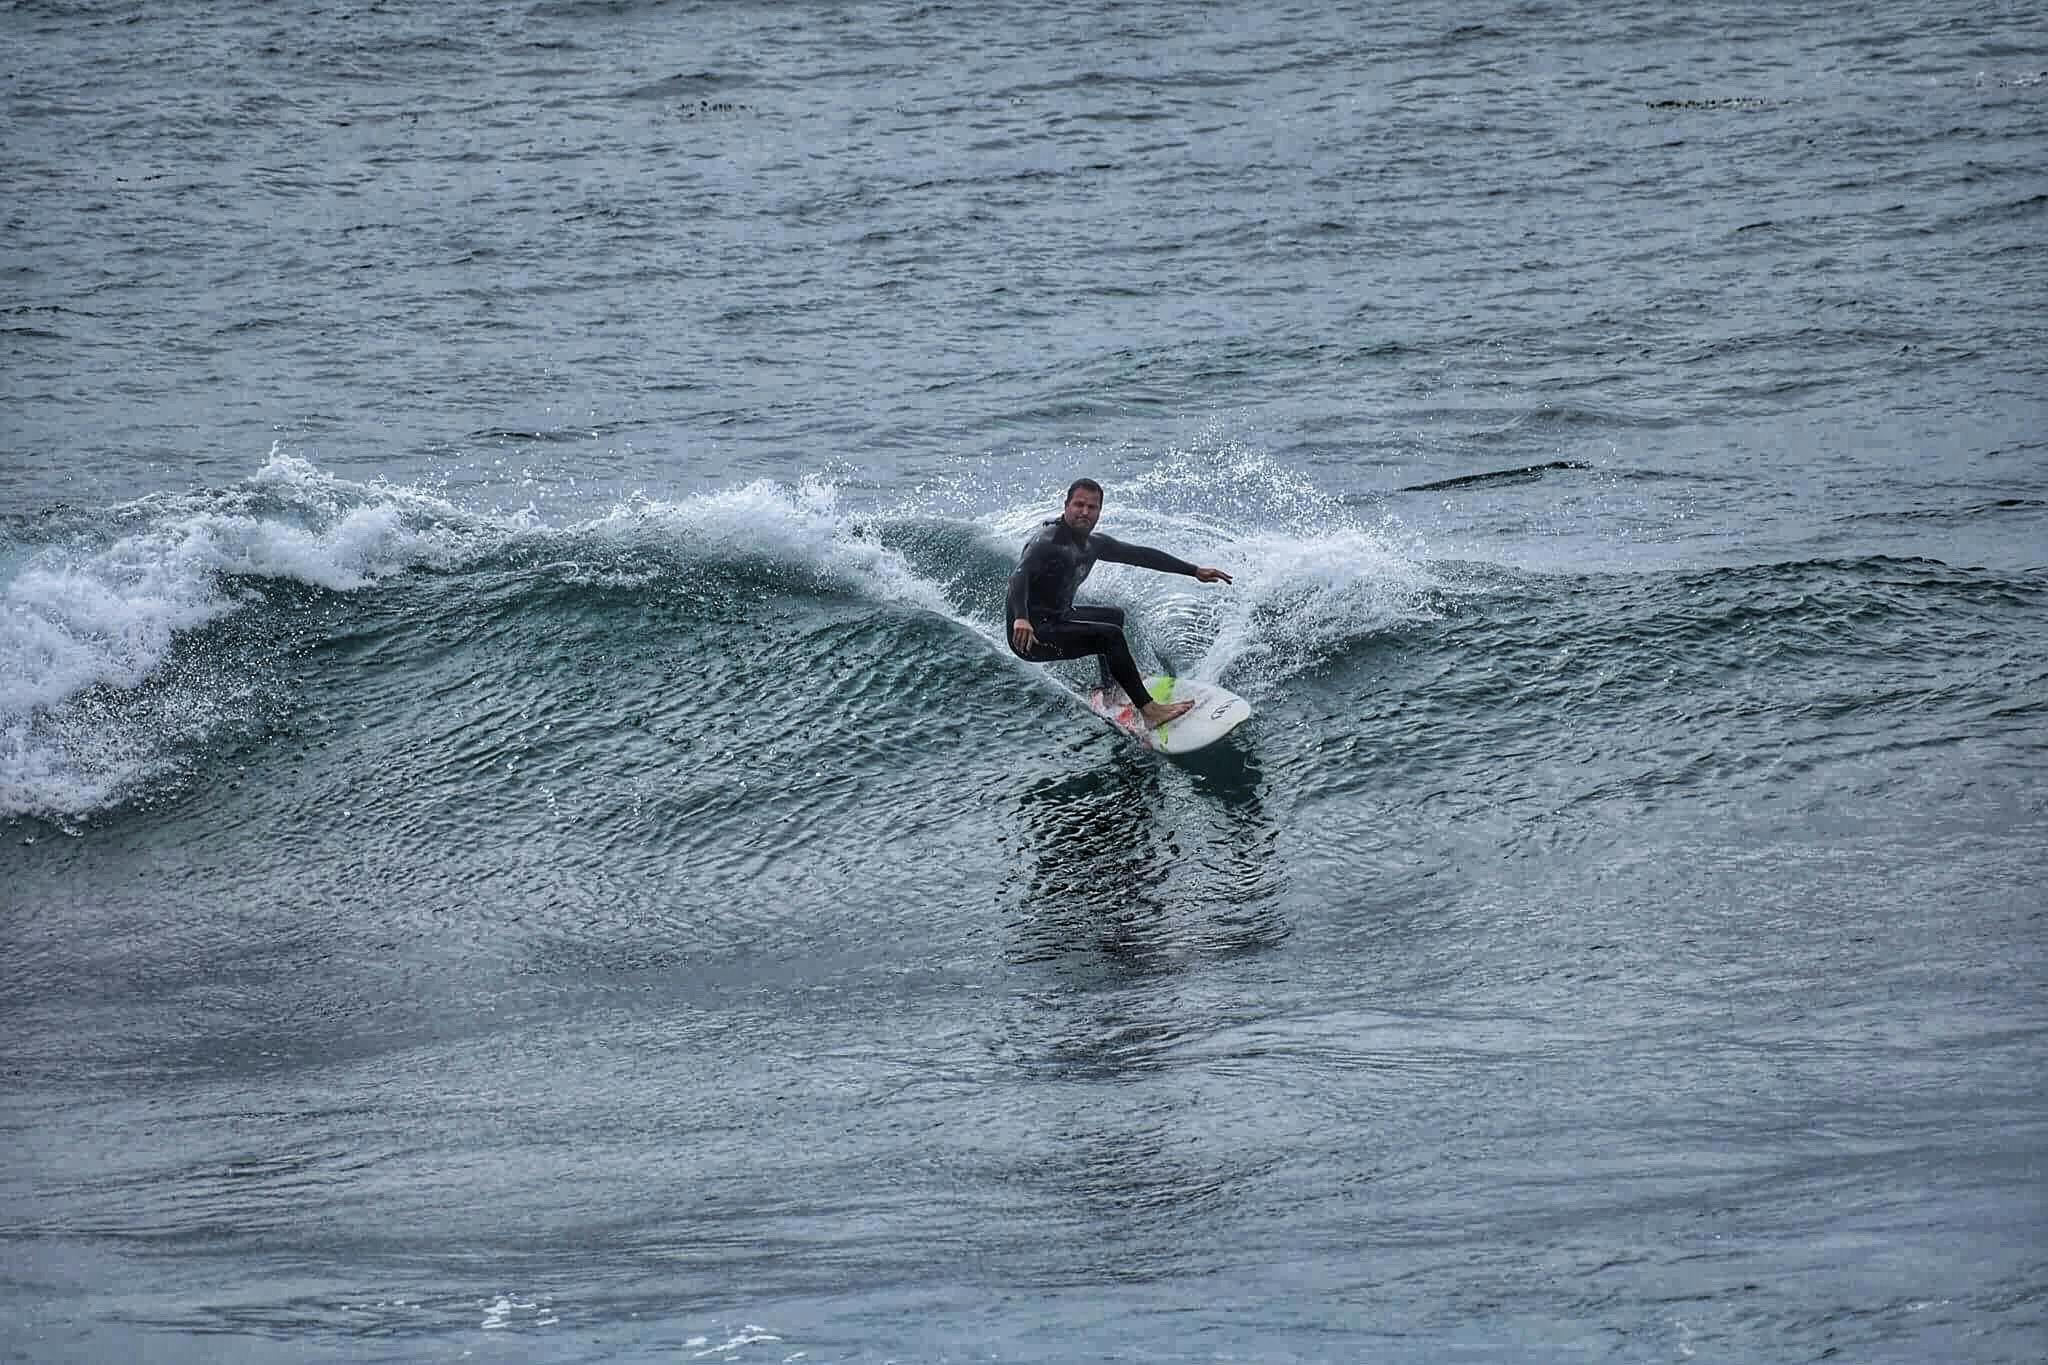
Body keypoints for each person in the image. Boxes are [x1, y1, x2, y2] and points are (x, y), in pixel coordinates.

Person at [1007, 478, 1233, 729]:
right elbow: (1019, 576)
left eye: (1092, 507)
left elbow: (1141, 555)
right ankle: (1150, 711)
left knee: (1114, 617)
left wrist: (1194, 571)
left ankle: (1112, 689)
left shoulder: (1093, 544)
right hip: (1031, 637)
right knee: (1110, 636)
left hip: (1058, 618)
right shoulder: (1048, 542)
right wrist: (1021, 617)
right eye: (1078, 505)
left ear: (1099, 511)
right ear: (1066, 506)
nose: (1084, 512)